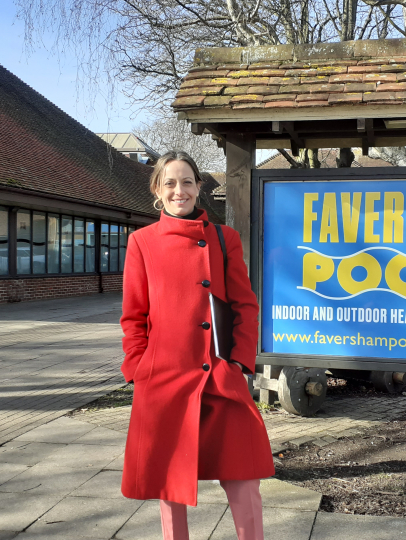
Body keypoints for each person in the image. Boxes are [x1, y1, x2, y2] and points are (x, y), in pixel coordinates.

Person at [119, 151, 274, 540]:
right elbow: (133, 316)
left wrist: (239, 363)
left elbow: (245, 305)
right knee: (170, 486)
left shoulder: (225, 239)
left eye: (187, 181)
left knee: (244, 478)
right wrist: (138, 368)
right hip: (164, 378)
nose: (179, 190)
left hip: (220, 375)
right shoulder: (141, 243)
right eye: (169, 182)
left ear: (199, 188)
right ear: (157, 190)